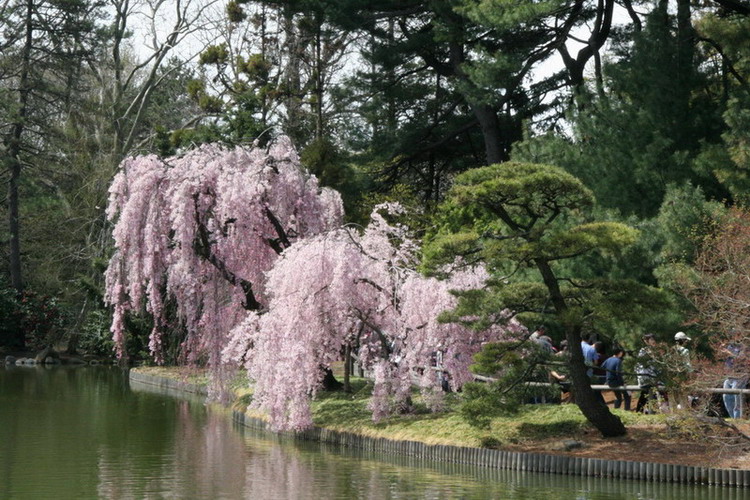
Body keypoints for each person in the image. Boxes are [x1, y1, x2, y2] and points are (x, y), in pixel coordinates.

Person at [635, 334, 660, 413]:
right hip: (646, 378)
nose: (653, 341)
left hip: (653, 378)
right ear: (646, 341)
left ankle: (648, 412)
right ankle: (641, 412)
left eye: (653, 339)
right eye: (651, 339)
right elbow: (641, 366)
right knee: (645, 395)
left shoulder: (655, 350)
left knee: (650, 395)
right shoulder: (644, 351)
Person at [722, 342, 746, 419]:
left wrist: (728, 352)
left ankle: (737, 418)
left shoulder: (743, 347)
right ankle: (732, 418)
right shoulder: (729, 346)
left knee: (736, 398)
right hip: (729, 377)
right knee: (726, 396)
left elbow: (740, 358)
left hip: (739, 377)